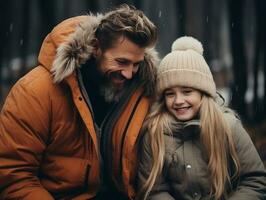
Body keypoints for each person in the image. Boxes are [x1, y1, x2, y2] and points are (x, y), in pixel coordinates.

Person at [0, 4, 159, 200]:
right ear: (95, 47)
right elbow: (14, 176)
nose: (129, 73)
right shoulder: (34, 92)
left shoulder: (142, 90)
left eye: (136, 64)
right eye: (121, 62)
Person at [137, 36, 266, 200]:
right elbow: (153, 190)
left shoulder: (228, 126)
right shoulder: (155, 133)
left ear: (203, 92)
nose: (178, 101)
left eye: (187, 91)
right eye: (170, 94)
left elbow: (255, 180)